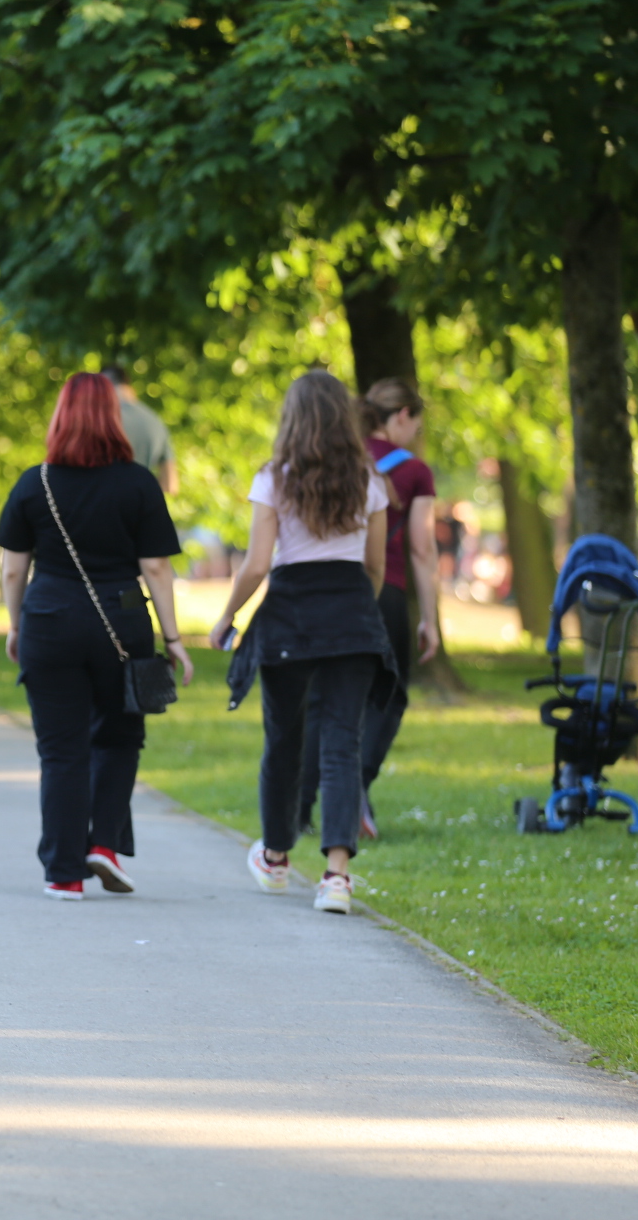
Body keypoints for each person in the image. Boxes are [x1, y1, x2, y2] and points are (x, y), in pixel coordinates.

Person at [0, 373, 195, 901]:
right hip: (121, 622)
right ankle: (104, 844)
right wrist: (173, 638)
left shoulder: (33, 483)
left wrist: (15, 625)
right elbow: (156, 567)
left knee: (61, 750)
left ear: (60, 418)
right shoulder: (139, 484)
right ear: (114, 418)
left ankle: (64, 873)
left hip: (49, 621)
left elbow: (14, 569)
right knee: (120, 737)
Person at [210, 369, 396, 915]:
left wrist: (228, 616)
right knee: (342, 744)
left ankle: (275, 856)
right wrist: (356, 608)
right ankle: (336, 877)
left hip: (289, 616)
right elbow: (376, 567)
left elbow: (257, 565)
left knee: (283, 739)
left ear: (291, 419)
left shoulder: (273, 479)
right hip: (352, 613)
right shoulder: (371, 482)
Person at [297, 378, 441, 837]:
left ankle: (300, 808)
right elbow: (421, 548)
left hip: (328, 591)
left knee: (321, 699)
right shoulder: (413, 471)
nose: (414, 435)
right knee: (388, 693)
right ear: (402, 416)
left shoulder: (336, 458)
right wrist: (431, 618)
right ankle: (355, 783)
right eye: (416, 425)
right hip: (385, 592)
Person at [100, 364, 179, 495]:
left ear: (105, 386)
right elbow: (170, 484)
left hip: (106, 500)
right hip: (141, 501)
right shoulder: (156, 421)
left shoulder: (101, 420)